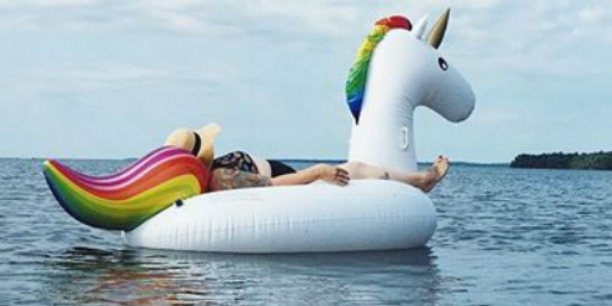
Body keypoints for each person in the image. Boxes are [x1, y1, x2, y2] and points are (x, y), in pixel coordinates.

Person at [164, 124, 451, 193]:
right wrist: (317, 172)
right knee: (355, 168)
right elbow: (272, 186)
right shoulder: (222, 176)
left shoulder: (214, 172)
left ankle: (417, 181)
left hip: (281, 173)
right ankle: (424, 179)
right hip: (289, 182)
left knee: (355, 170)